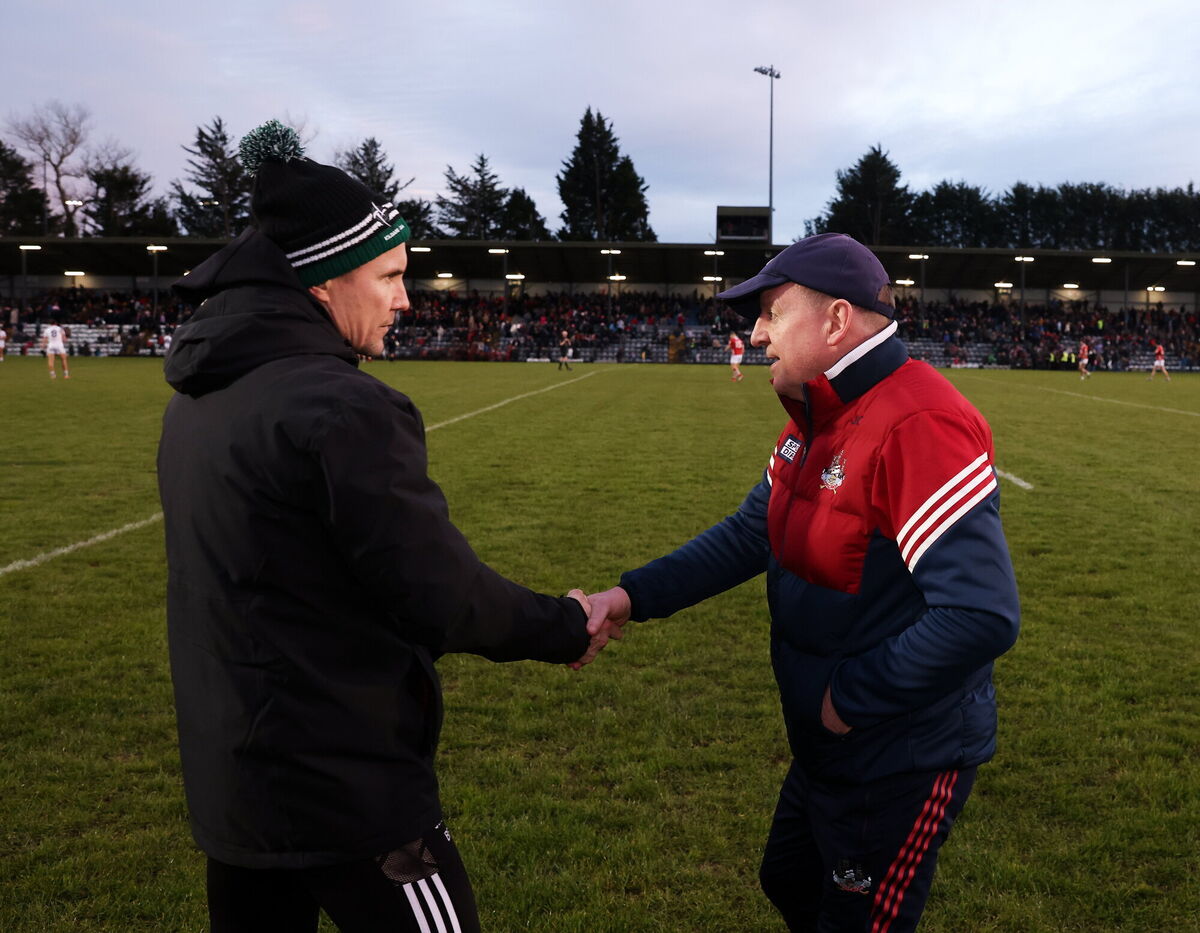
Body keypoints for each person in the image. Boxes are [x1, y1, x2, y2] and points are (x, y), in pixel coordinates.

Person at [157, 120, 619, 933]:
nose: (407, 298)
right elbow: (439, 591)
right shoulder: (343, 406)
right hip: (347, 785)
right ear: (323, 283)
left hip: (238, 784)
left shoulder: (195, 401)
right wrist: (561, 623)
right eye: (391, 275)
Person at [582, 233, 1020, 932]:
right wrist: (630, 596)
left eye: (770, 313)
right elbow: (750, 533)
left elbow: (981, 612)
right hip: (833, 746)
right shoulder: (818, 412)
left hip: (897, 755)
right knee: (787, 875)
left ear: (837, 321)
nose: (755, 334)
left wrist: (846, 697)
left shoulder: (919, 421)